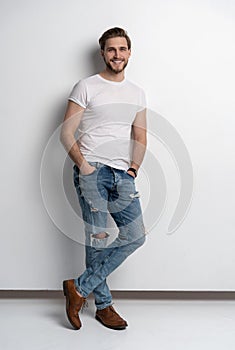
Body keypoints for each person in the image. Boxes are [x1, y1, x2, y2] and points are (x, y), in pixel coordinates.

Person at [61, 27, 147, 331]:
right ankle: (104, 306)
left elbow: (140, 134)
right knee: (97, 241)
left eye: (122, 49)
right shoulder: (86, 85)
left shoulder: (137, 92)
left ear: (129, 52)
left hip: (123, 175)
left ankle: (79, 288)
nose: (117, 55)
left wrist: (134, 168)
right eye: (111, 49)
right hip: (92, 170)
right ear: (102, 53)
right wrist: (84, 166)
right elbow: (66, 132)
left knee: (136, 236)